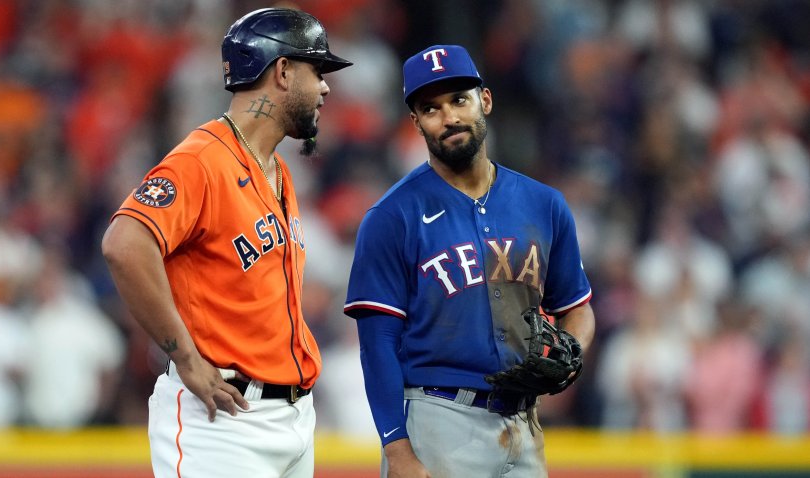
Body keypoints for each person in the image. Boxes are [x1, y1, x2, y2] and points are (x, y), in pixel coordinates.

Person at [101, 8, 350, 478]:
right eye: (317, 70)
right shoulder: (201, 159)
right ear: (282, 71)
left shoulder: (276, 169)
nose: (325, 87)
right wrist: (186, 359)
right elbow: (124, 244)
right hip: (223, 422)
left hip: (294, 415)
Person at [344, 45, 595, 477]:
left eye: (459, 99)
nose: (449, 117)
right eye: (431, 108)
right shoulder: (391, 216)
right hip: (439, 421)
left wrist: (572, 352)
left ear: (486, 100)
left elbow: (577, 308)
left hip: (523, 422)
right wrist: (398, 450)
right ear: (416, 123)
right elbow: (377, 345)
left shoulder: (544, 204)